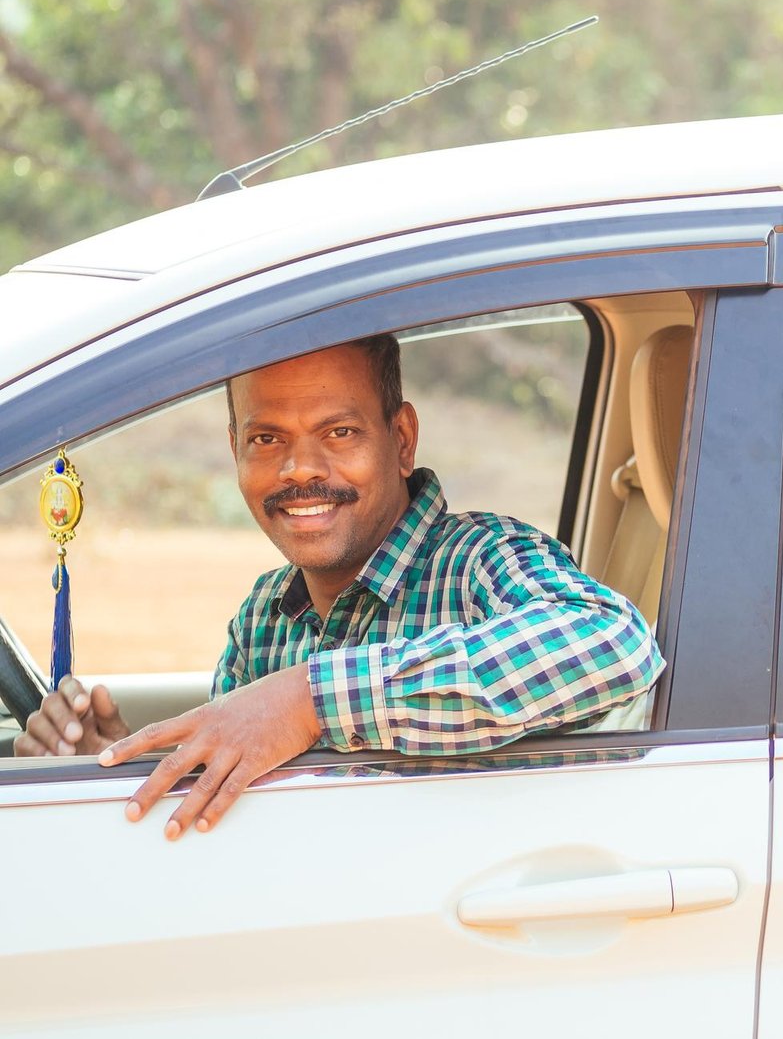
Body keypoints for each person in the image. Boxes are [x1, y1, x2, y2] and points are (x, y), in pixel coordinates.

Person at [16, 334, 663, 838]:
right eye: (267, 439)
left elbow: (613, 644)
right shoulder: (263, 620)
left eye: (340, 432)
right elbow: (231, 823)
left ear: (401, 440)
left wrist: (312, 701)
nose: (299, 469)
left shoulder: (480, 561)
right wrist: (116, 771)